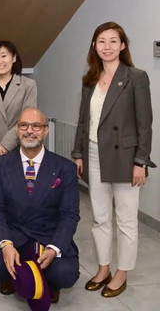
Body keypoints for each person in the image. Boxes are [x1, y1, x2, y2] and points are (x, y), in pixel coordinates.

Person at [71, 21, 155, 298]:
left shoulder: (136, 77)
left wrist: (141, 161)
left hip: (126, 157)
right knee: (100, 217)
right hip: (94, 154)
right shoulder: (90, 79)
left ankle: (122, 273)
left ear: (123, 45)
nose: (107, 46)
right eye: (101, 41)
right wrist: (78, 154)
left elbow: (145, 124)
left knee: (126, 219)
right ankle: (103, 268)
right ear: (94, 46)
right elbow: (83, 120)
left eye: (113, 41)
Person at [0, 108, 80, 305]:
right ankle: (14, 277)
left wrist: (54, 248)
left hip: (46, 236)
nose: (29, 131)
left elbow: (70, 215)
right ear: (17, 130)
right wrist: (6, 244)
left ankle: (44, 282)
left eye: (36, 126)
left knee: (66, 274)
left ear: (46, 131)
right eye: (24, 125)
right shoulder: (0, 165)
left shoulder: (65, 168)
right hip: (13, 234)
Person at [0, 41, 37, 191]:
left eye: (4, 56)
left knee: (19, 196)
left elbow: (27, 119)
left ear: (14, 58)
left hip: (19, 148)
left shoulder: (28, 85)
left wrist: (5, 146)